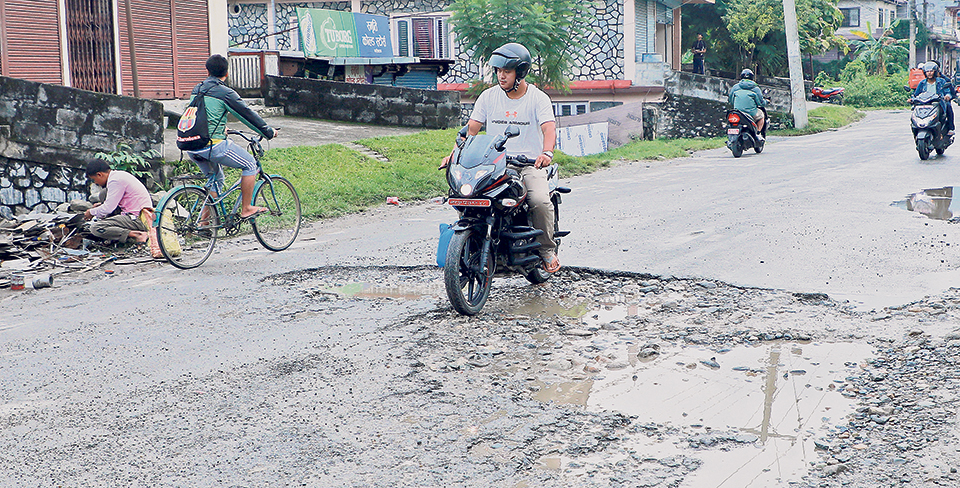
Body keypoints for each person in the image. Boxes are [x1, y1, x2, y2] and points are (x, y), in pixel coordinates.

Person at [441, 42, 560, 273]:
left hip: (527, 165)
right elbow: (471, 130)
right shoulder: (488, 97)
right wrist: (454, 154)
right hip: (494, 164)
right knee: (467, 196)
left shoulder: (538, 98)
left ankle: (546, 250)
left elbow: (549, 128)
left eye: (506, 71)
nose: (501, 76)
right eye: (498, 71)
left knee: (539, 202)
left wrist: (546, 153)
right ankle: (476, 239)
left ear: (520, 72)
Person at [185, 54, 278, 219]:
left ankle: (204, 224)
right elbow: (247, 115)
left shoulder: (197, 89)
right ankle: (247, 208)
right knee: (250, 164)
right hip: (212, 145)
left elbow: (198, 115)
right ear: (226, 73)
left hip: (191, 145)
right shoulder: (225, 92)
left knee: (216, 179)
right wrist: (268, 132)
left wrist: (221, 127)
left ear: (207, 72)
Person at [83, 160, 152, 243]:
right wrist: (100, 206)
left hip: (139, 219)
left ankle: (136, 234)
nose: (95, 182)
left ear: (99, 174)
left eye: (94, 179)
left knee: (96, 228)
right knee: (104, 193)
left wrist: (91, 212)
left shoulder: (115, 181)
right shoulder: (118, 175)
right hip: (137, 214)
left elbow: (108, 208)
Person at [911, 61, 955, 136]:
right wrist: (912, 99)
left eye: (931, 71)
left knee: (948, 107)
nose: (929, 73)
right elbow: (916, 94)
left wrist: (947, 96)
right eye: (927, 71)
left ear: (935, 72)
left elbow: (947, 91)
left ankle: (951, 128)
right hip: (925, 103)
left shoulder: (941, 81)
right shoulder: (922, 83)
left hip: (938, 102)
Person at [728, 68, 767, 140]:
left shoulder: (735, 87)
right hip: (751, 113)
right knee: (761, 116)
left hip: (738, 112)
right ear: (752, 77)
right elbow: (761, 103)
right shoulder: (755, 88)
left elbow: (730, 100)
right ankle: (758, 133)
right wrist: (767, 101)